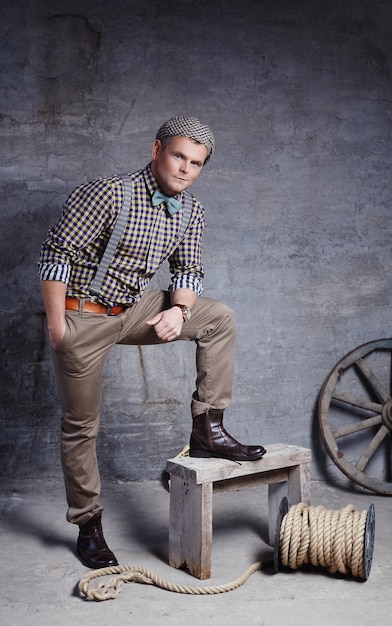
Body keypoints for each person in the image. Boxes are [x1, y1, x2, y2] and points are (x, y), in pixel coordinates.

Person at [38, 115, 266, 569]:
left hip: (133, 309)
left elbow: (188, 271)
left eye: (196, 163)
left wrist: (179, 311)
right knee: (81, 426)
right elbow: (56, 254)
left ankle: (207, 430)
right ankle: (88, 525)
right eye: (179, 155)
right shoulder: (109, 192)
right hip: (84, 315)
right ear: (157, 149)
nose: (185, 169)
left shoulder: (193, 211)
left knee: (218, 318)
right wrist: (56, 325)